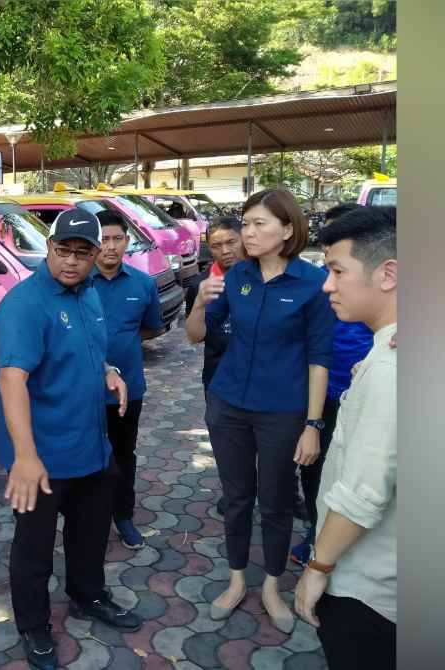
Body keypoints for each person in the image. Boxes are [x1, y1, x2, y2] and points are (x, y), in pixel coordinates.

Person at [0, 207, 141, 669]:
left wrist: (110, 373)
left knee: (91, 533)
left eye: (83, 252)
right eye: (63, 250)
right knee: (34, 549)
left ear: (97, 253)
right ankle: (34, 627)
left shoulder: (90, 294)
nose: (72, 261)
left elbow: (86, 352)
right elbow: (12, 379)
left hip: (92, 447)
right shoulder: (25, 303)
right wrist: (24, 458)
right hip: (42, 457)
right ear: (50, 247)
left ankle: (88, 596)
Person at [187, 188, 335, 634]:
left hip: (283, 413)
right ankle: (236, 581)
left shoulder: (312, 283)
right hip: (228, 405)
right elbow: (196, 336)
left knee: (274, 503)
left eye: (258, 225)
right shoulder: (237, 278)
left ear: (287, 229)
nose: (246, 234)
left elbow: (319, 358)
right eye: (245, 224)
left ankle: (271, 585)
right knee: (236, 499)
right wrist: (198, 302)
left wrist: (312, 424)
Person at [294, 206, 396, 669]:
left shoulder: (393, 367)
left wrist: (318, 568)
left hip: (369, 589)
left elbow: (363, 492)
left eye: (337, 270)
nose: (327, 284)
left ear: (388, 273)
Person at [290, 203, 374, 566]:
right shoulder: (320, 282)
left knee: (356, 472)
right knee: (314, 467)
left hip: (361, 394)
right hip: (321, 393)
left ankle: (335, 547)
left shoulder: (377, 289)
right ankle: (315, 530)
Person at [91, 215, 162, 550]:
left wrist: (123, 346)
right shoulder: (78, 281)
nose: (110, 246)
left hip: (128, 390)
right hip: (83, 391)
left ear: (127, 241)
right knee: (87, 456)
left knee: (123, 455)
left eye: (117, 238)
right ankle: (88, 518)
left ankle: (123, 516)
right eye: (103, 239)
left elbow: (151, 328)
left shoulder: (142, 284)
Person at [185, 215, 244, 517]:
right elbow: (194, 336)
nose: (225, 250)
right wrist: (200, 302)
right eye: (217, 245)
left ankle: (280, 490)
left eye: (231, 242)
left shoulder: (264, 278)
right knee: (225, 443)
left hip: (262, 378)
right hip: (218, 378)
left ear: (243, 238)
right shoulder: (200, 284)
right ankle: (234, 493)